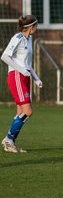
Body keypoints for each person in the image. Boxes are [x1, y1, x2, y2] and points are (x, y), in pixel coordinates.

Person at [1, 15, 42, 153]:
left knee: (20, 111)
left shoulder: (29, 39)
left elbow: (28, 65)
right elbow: (5, 56)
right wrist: (21, 71)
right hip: (16, 76)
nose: (37, 28)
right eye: (36, 26)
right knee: (28, 111)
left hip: (24, 76)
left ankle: (11, 143)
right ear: (31, 27)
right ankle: (8, 138)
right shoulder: (17, 38)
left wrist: (36, 78)